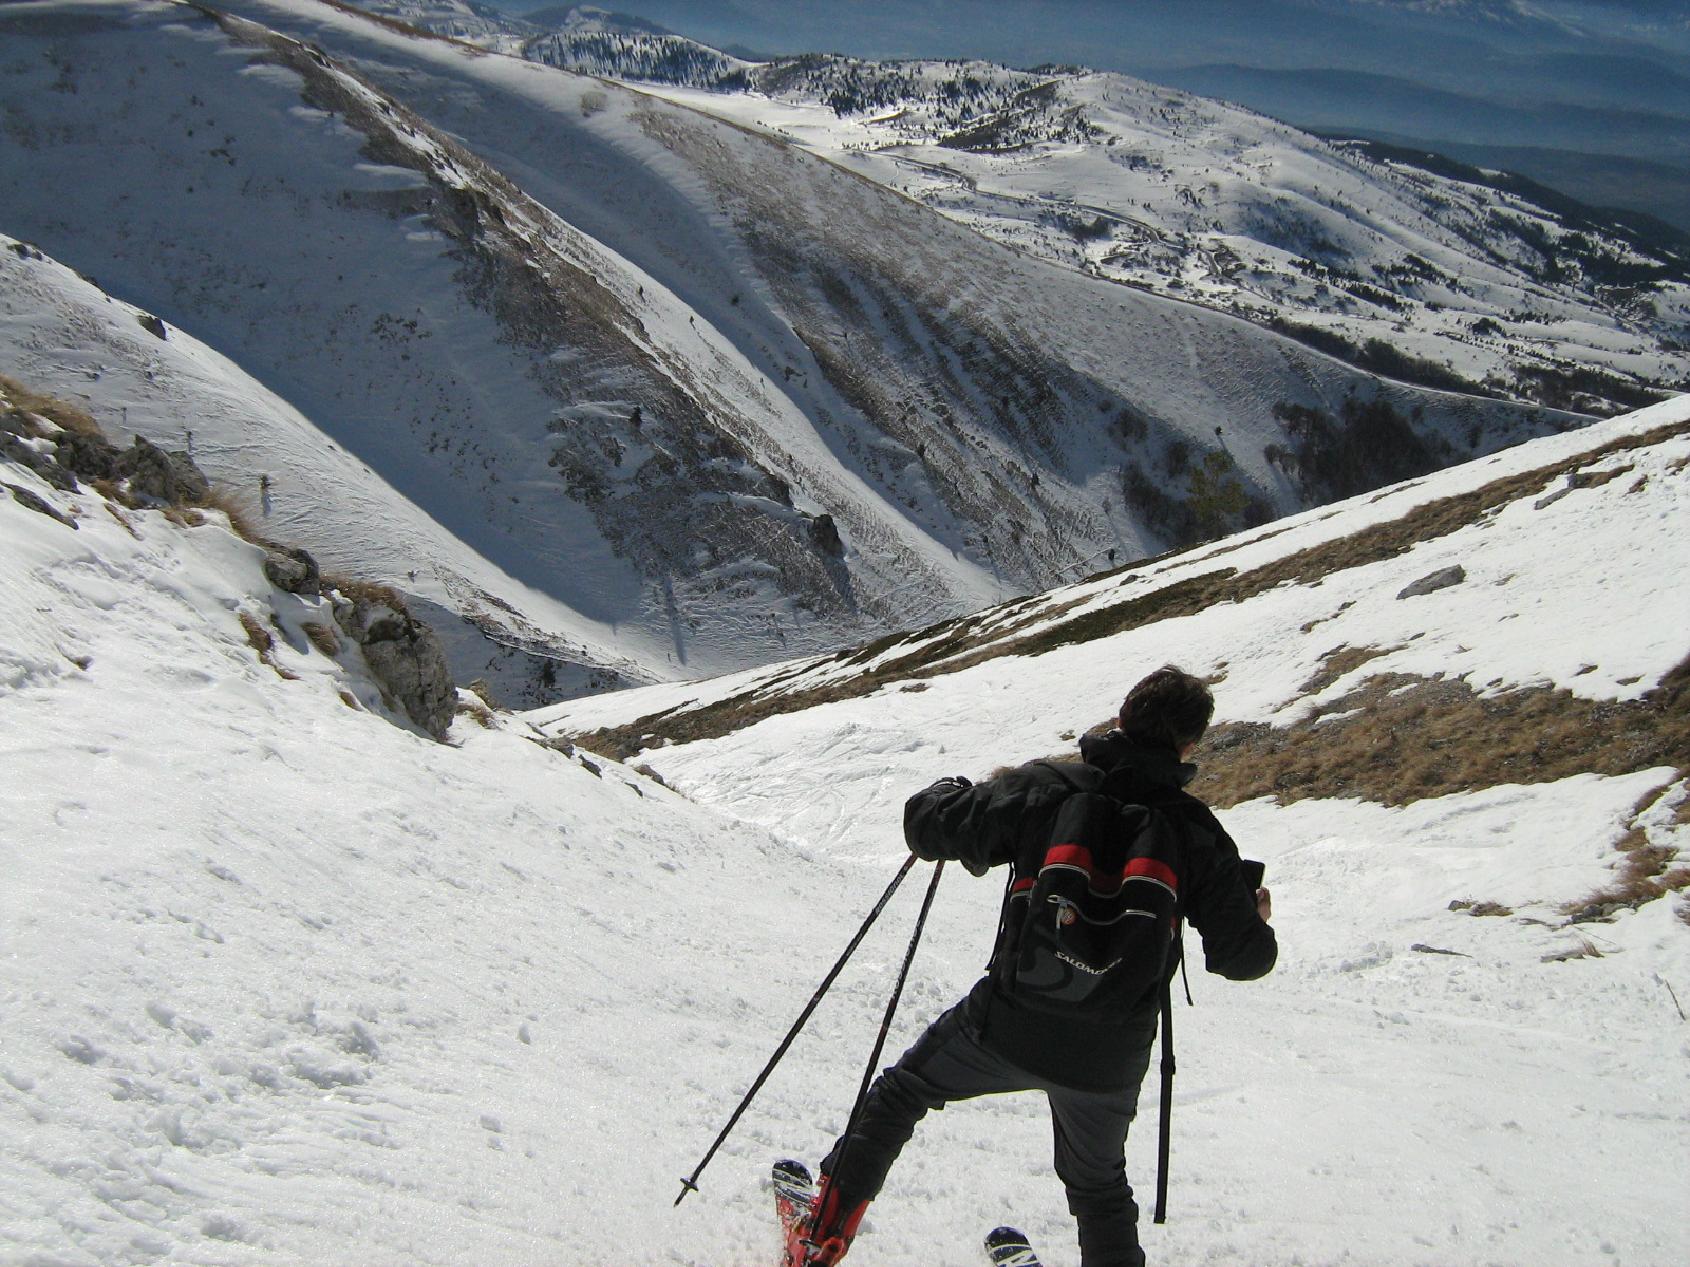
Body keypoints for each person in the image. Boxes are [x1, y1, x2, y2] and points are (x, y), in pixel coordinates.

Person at [786, 665, 1276, 1267]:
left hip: (1010, 1020)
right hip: (1111, 1053)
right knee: (1098, 1186)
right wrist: (1256, 918)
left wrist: (948, 789)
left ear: (1122, 718)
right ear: (1189, 745)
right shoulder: (1195, 831)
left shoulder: (1048, 788)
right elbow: (1244, 959)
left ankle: (823, 1236)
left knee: (901, 1094)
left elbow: (928, 826)